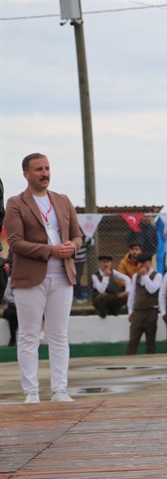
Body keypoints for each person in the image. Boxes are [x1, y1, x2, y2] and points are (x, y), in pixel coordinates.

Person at [5, 153, 83, 403]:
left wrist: (73, 246)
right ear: (26, 175)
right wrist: (50, 250)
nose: (44, 173)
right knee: (29, 335)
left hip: (63, 275)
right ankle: (31, 392)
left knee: (59, 334)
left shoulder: (63, 200)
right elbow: (15, 243)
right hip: (30, 277)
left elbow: (78, 235)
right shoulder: (16, 203)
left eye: (47, 168)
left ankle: (60, 389)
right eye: (38, 169)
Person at [126, 253, 162, 355]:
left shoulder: (157, 276)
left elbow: (152, 290)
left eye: (144, 262)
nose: (141, 265)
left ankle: (151, 367)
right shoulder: (135, 277)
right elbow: (132, 295)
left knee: (150, 343)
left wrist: (145, 276)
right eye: (139, 263)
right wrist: (130, 311)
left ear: (149, 262)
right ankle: (128, 365)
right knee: (133, 341)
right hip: (137, 313)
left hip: (150, 312)